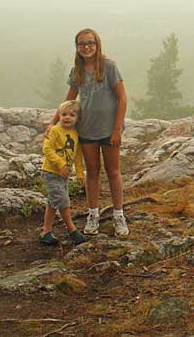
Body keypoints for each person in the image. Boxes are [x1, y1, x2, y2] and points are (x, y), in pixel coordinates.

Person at [48, 28, 129, 236]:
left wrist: (117, 129)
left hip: (109, 129)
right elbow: (70, 98)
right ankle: (93, 214)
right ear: (77, 47)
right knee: (92, 172)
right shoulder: (77, 71)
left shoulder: (109, 66)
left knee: (113, 172)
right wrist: (53, 123)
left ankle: (119, 215)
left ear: (97, 44)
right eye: (82, 44)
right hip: (86, 129)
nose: (86, 47)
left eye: (90, 43)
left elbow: (122, 98)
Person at [40, 99, 86, 246]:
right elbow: (47, 149)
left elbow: (78, 155)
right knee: (63, 200)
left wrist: (80, 174)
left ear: (77, 118)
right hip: (51, 172)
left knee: (53, 202)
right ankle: (72, 230)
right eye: (64, 114)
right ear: (59, 116)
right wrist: (60, 165)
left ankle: (46, 232)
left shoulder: (75, 134)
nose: (67, 117)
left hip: (63, 175)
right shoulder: (54, 131)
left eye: (72, 115)